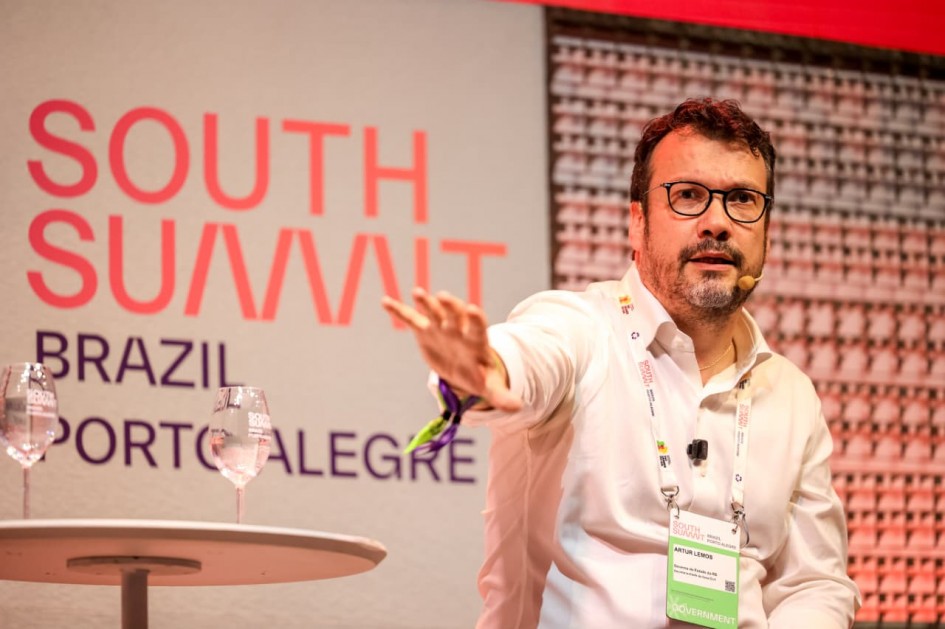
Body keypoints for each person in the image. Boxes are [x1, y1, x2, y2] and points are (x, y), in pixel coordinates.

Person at [382, 98, 860, 628]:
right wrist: (483, 373)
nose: (717, 222)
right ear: (637, 222)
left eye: (742, 200)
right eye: (688, 195)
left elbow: (814, 582)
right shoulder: (581, 328)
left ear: (766, 229)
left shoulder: (791, 393)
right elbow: (529, 358)